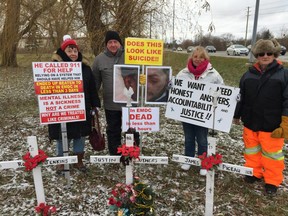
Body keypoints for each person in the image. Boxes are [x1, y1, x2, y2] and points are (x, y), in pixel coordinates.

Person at [233, 38, 287, 196]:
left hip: (272, 124)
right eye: (261, 53)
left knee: (272, 155)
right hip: (250, 121)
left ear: (275, 54)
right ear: (256, 55)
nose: (265, 56)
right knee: (251, 151)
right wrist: (237, 115)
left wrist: (286, 121)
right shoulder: (248, 75)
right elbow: (240, 97)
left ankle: (272, 180)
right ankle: (253, 172)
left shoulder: (283, 75)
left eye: (269, 53)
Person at [48, 35, 101, 173]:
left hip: (82, 107)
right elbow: (47, 88)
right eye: (69, 51)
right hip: (61, 107)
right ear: (63, 52)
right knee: (61, 135)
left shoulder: (85, 68)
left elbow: (92, 89)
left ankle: (79, 160)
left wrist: (95, 105)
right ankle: (61, 162)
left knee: (80, 134)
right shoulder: (54, 68)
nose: (73, 54)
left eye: (75, 51)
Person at [176, 46, 224, 174]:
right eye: (195, 56)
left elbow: (222, 89)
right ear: (191, 57)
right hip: (187, 112)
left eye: (201, 57)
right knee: (189, 137)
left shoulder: (213, 74)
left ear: (206, 58)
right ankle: (188, 159)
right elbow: (176, 88)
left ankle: (204, 163)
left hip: (203, 113)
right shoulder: (183, 73)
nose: (198, 59)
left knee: (202, 139)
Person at [92, 30, 126, 155]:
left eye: (115, 42)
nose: (113, 45)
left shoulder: (130, 56)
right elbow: (94, 83)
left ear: (120, 43)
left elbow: (142, 72)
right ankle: (115, 154)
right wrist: (92, 101)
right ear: (106, 44)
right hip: (111, 104)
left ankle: (132, 154)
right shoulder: (99, 60)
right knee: (113, 130)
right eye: (110, 42)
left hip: (130, 103)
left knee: (132, 130)